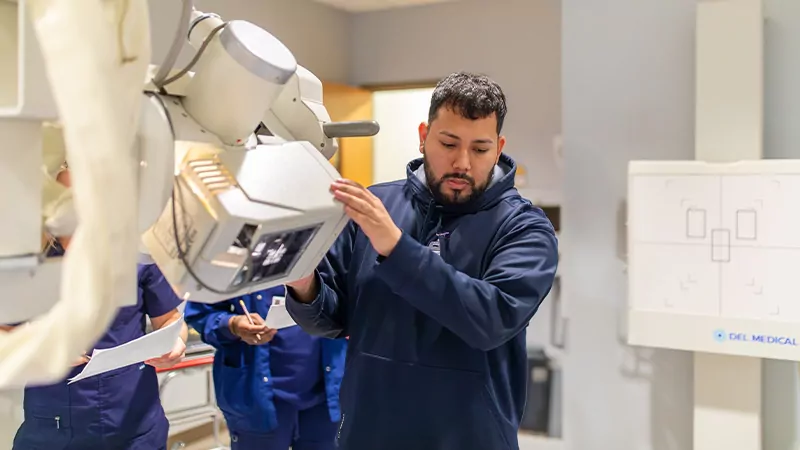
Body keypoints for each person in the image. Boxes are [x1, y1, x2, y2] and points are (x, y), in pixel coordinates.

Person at [284, 72, 559, 450]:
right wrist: (302, 284)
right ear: (423, 136)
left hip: (470, 439)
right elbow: (332, 319)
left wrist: (396, 248)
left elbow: (490, 320)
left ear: (498, 148)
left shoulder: (524, 227)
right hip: (368, 435)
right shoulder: (374, 208)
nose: (462, 162)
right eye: (448, 143)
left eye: (479, 149)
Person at [8, 166, 188, 450]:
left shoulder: (138, 256)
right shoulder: (26, 266)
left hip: (135, 426)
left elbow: (170, 318)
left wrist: (176, 342)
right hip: (53, 431)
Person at [185, 285, 346, 450]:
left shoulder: (325, 259)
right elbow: (200, 314)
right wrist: (233, 324)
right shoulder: (227, 262)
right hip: (255, 394)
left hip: (326, 395)